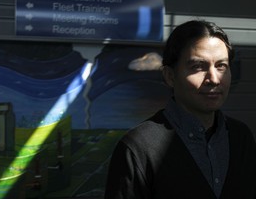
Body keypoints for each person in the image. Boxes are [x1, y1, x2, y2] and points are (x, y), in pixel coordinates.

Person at [104, 20, 256, 199]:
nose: (214, 79)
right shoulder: (138, 148)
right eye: (198, 67)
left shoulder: (241, 137)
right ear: (170, 76)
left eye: (221, 66)